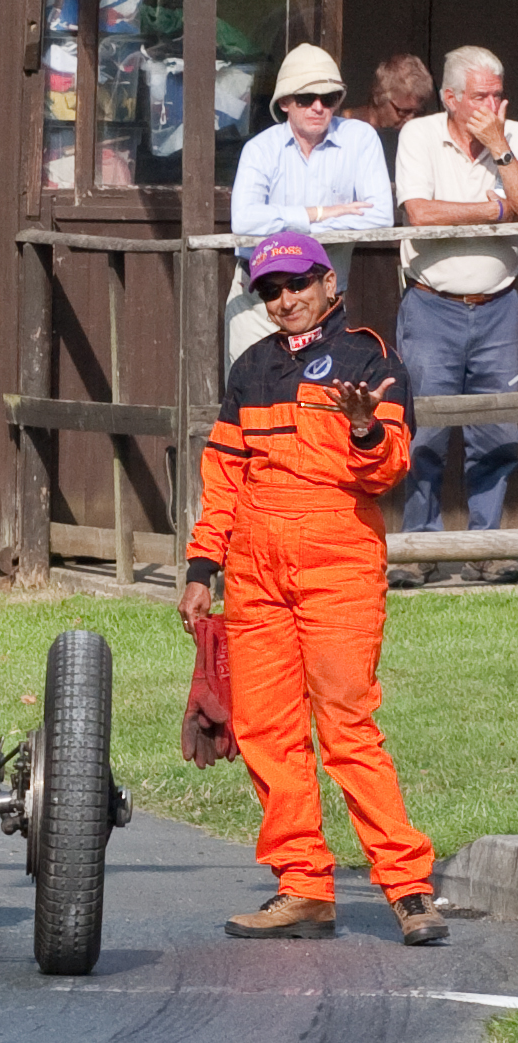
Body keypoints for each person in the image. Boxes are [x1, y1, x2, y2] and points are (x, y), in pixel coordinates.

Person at [178, 231, 447, 948]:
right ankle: (302, 886)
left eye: (298, 284)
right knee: (266, 731)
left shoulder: (370, 358)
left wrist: (362, 430)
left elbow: (386, 471)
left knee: (348, 730)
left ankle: (409, 888)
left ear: (331, 284)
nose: (286, 299)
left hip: (338, 562)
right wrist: (202, 569)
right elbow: (223, 481)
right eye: (271, 290)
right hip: (255, 571)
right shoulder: (250, 368)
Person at [390, 45, 518, 589]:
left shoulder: (511, 137)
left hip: (500, 304)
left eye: (498, 94)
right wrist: (496, 210)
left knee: (498, 429)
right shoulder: (418, 135)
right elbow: (420, 212)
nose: (494, 105)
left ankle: (489, 548)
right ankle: (419, 549)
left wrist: (501, 150)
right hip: (432, 304)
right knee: (423, 432)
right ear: (450, 97)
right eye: (481, 96)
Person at [226, 43, 393, 370]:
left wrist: (296, 229)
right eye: (306, 98)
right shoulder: (260, 148)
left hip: (326, 305)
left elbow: (380, 217)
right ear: (285, 102)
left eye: (328, 98)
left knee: (323, 409)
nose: (318, 107)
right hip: (259, 301)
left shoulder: (361, 139)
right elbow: (244, 221)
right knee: (252, 405)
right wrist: (316, 214)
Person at [343, 55, 435, 180]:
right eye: (404, 111)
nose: (411, 119)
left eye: (417, 112)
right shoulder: (341, 129)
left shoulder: (416, 137)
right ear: (379, 97)